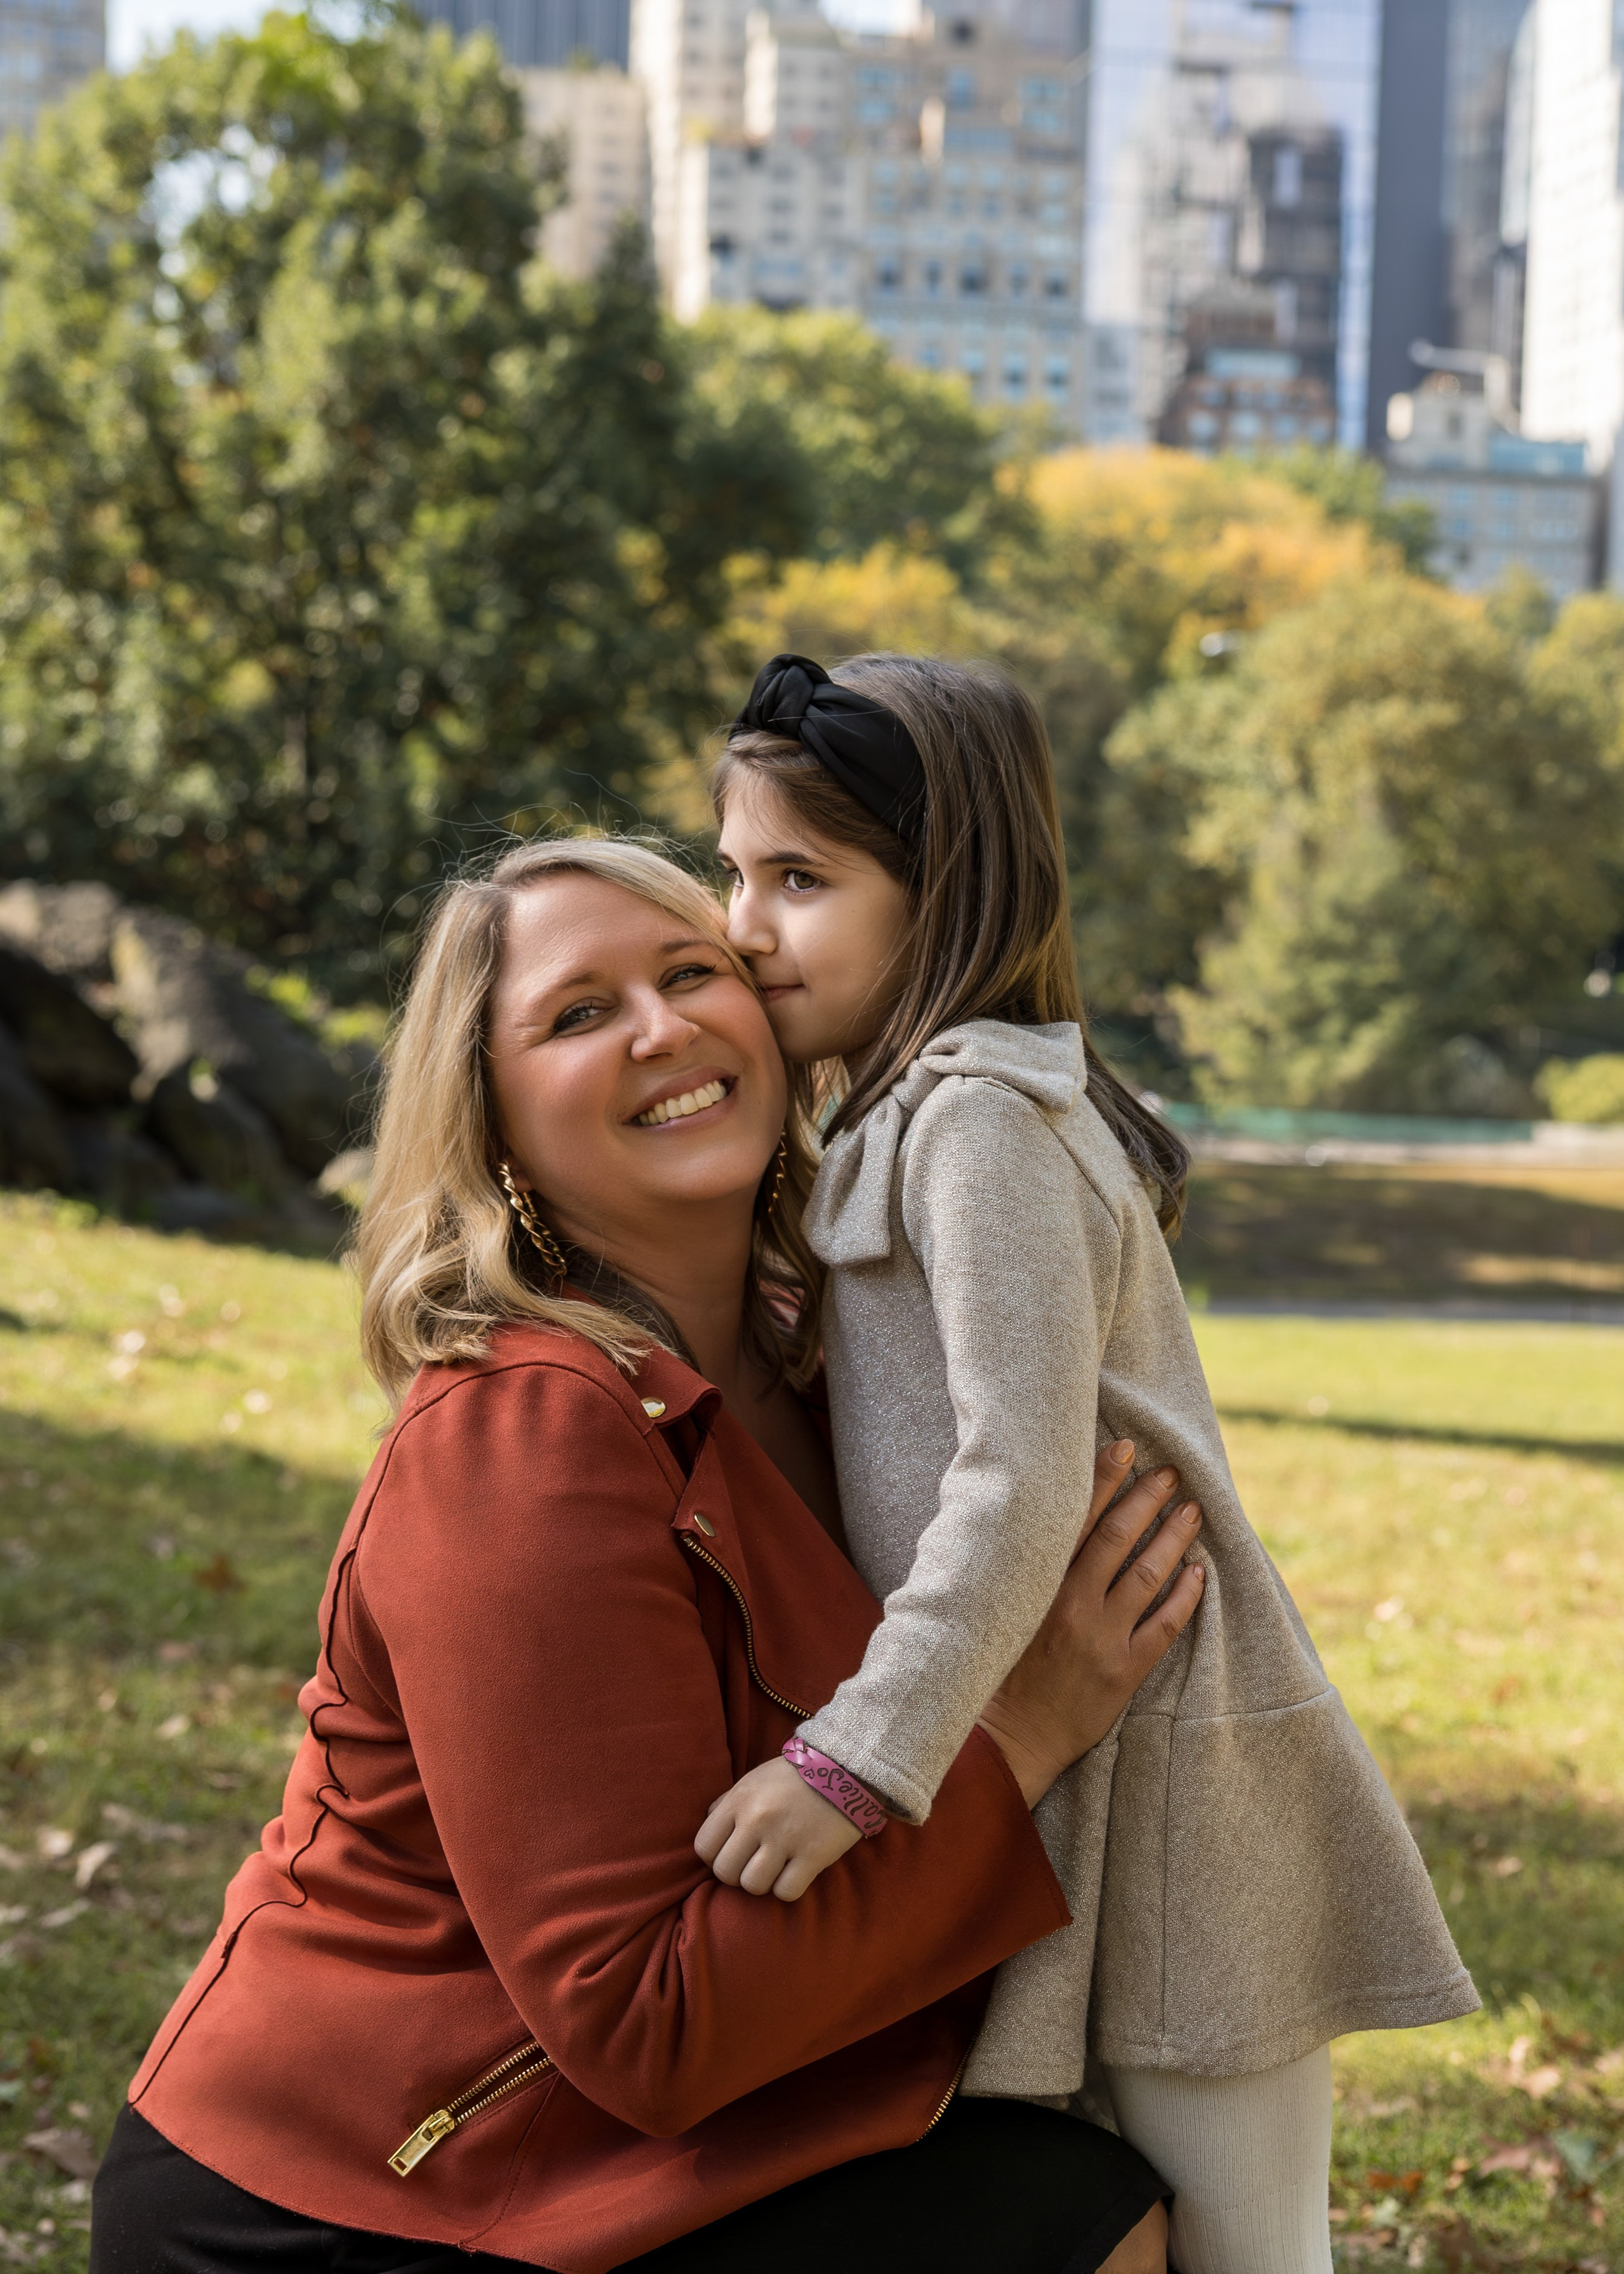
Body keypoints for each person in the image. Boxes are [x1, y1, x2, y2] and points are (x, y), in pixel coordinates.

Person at [90, 838, 1197, 2274]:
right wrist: (1020, 1731)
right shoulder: (520, 1438)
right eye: (576, 1013)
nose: (662, 1028)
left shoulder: (833, 1358)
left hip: (625, 2142)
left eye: (691, 973)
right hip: (351, 2201)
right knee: (1069, 2223)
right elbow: (641, 2021)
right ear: (488, 1120)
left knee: (1085, 2194)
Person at [700, 654, 1479, 2274]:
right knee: (1117, 2219)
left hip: (1181, 1765)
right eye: (732, 873)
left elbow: (1018, 1475)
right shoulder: (898, 1124)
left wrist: (857, 1760)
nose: (743, 926)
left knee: (1249, 2242)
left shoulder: (979, 1122)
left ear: (946, 893)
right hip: (1065, 1746)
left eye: (799, 878)